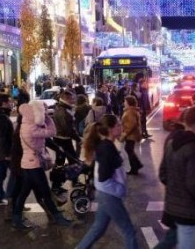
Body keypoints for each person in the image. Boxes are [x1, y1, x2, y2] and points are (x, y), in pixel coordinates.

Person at [159, 106, 195, 249]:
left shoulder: (173, 142)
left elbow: (163, 174)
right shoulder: (194, 147)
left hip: (174, 205)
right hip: (189, 211)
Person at [77, 114, 138, 248]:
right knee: (129, 230)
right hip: (109, 195)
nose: (121, 126)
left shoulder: (107, 145)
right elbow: (103, 176)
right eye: (118, 125)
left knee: (98, 229)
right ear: (110, 129)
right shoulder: (106, 147)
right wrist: (119, 188)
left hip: (105, 193)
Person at [14, 101, 72, 229]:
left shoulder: (26, 124)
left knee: (24, 193)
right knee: (45, 192)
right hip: (34, 165)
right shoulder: (32, 128)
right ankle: (58, 217)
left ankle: (16, 219)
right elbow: (52, 132)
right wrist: (48, 118)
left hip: (28, 164)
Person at [52, 91, 81, 193]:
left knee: (68, 161)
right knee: (66, 162)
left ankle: (71, 181)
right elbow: (68, 129)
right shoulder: (63, 111)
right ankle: (56, 185)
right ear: (67, 99)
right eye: (72, 98)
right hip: (62, 140)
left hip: (62, 139)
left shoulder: (63, 109)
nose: (74, 100)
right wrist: (78, 139)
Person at [122, 96, 143, 175]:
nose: (124, 103)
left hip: (131, 134)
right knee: (129, 149)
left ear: (128, 103)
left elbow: (132, 124)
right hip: (132, 134)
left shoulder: (130, 111)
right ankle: (137, 165)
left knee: (128, 149)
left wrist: (125, 133)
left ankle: (135, 167)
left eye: (125, 101)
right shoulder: (130, 110)